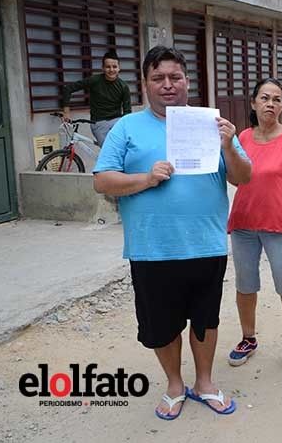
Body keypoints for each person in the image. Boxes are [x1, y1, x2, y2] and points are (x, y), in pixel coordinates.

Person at [93, 46, 252, 420]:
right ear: (145, 84)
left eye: (175, 77)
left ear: (187, 81)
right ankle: (175, 385)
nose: (167, 84)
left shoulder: (212, 125)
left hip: (206, 244)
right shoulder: (126, 128)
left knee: (205, 320)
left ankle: (205, 383)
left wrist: (228, 146)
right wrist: (146, 179)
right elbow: (102, 180)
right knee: (161, 324)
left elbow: (243, 177)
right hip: (152, 247)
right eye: (158, 78)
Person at [226, 77, 282, 373]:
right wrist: (227, 147)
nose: (270, 104)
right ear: (253, 103)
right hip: (244, 222)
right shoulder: (243, 138)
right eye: (264, 98)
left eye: (276, 99)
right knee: (245, 284)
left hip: (280, 224)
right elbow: (235, 179)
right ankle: (248, 338)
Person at [61, 51, 132, 146]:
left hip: (117, 122)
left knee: (128, 146)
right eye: (108, 67)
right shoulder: (95, 80)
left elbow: (127, 112)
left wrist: (125, 128)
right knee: (109, 151)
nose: (111, 70)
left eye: (114, 67)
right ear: (103, 68)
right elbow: (68, 89)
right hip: (99, 123)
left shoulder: (123, 86)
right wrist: (66, 112)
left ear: (119, 68)